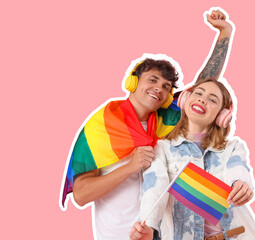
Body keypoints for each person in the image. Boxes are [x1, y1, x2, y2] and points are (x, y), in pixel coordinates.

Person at [60, 9, 234, 240]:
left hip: (163, 233)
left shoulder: (166, 119)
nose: (159, 89)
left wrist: (225, 33)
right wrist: (130, 166)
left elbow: (203, 85)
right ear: (133, 81)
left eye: (166, 86)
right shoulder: (101, 126)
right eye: (153, 80)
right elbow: (81, 195)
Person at [131, 79, 255, 240]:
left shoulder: (233, 148)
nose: (202, 99)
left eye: (212, 99)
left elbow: (237, 169)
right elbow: (154, 189)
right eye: (198, 93)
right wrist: (149, 226)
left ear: (222, 115)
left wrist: (241, 184)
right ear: (185, 99)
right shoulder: (162, 148)